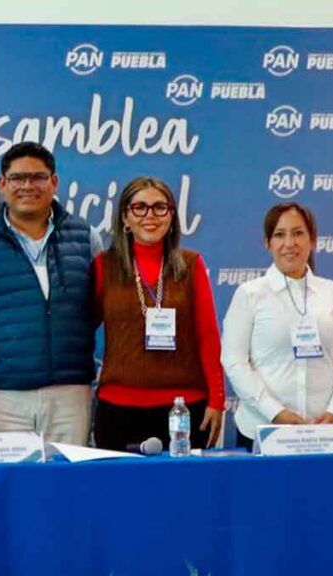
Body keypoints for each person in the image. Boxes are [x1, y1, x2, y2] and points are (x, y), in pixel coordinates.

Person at [0, 141, 102, 445]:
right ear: (3, 184)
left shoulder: (85, 237)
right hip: (2, 397)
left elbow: (98, 311)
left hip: (71, 395)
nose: (28, 186)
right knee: (6, 476)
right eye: (17, 178)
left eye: (38, 177)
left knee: (67, 475)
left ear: (54, 182)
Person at [91, 177, 224, 451]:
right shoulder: (105, 266)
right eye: (139, 207)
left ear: (172, 217)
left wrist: (217, 400)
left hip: (183, 409)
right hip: (118, 409)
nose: (149, 215)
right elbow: (81, 330)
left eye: (159, 207)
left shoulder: (191, 265)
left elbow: (208, 338)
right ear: (125, 218)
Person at [221, 201, 333, 449]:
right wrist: (275, 412)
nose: (289, 243)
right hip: (262, 428)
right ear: (267, 243)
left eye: (298, 233)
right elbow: (234, 361)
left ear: (312, 240)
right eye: (279, 235)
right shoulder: (250, 294)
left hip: (324, 433)